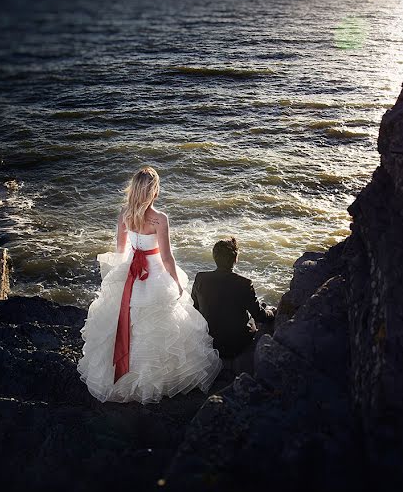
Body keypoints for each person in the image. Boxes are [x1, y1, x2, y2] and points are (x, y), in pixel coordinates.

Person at [77, 166, 222, 404]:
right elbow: (166, 258)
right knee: (162, 326)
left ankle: (122, 377)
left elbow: (121, 251)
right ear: (154, 192)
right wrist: (177, 283)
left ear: (134, 189)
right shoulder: (159, 219)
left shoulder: (125, 213)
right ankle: (154, 381)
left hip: (131, 272)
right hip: (154, 273)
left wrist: (124, 277)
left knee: (127, 322)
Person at [191, 237, 276, 372]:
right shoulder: (244, 283)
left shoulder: (200, 278)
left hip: (209, 340)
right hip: (236, 343)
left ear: (214, 257)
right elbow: (259, 316)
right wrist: (273, 313)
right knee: (258, 315)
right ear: (235, 259)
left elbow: (195, 308)